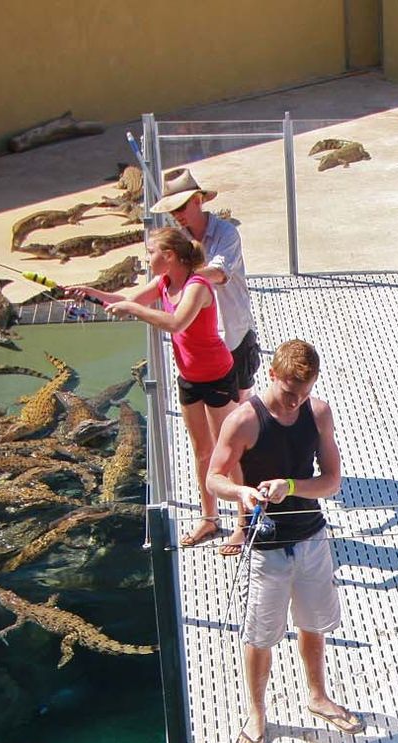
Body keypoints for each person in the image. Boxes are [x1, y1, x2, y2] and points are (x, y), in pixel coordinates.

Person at [206, 339, 361, 743]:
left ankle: (318, 695)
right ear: (272, 376)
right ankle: (257, 714)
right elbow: (213, 478)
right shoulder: (243, 420)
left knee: (313, 624)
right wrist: (241, 491)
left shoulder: (319, 412)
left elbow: (331, 482)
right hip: (266, 546)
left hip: (310, 535)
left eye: (304, 392)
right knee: (261, 634)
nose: (296, 402)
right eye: (290, 391)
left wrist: (290, 486)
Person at [67, 225, 233, 547]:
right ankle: (209, 519)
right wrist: (89, 292)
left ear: (169, 256)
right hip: (189, 377)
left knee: (228, 450)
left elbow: (175, 323)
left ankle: (242, 521)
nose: (148, 259)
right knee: (202, 451)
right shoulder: (164, 282)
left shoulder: (197, 286)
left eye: (151, 253)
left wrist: (132, 309)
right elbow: (125, 300)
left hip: (216, 375)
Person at [151, 167, 263, 555]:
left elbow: (217, 272)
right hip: (198, 355)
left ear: (198, 201)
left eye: (182, 207)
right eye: (172, 211)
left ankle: (245, 518)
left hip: (232, 339)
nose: (178, 216)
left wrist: (183, 269)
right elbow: (153, 286)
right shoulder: (176, 242)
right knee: (212, 444)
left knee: (240, 430)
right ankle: (210, 516)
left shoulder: (226, 234)